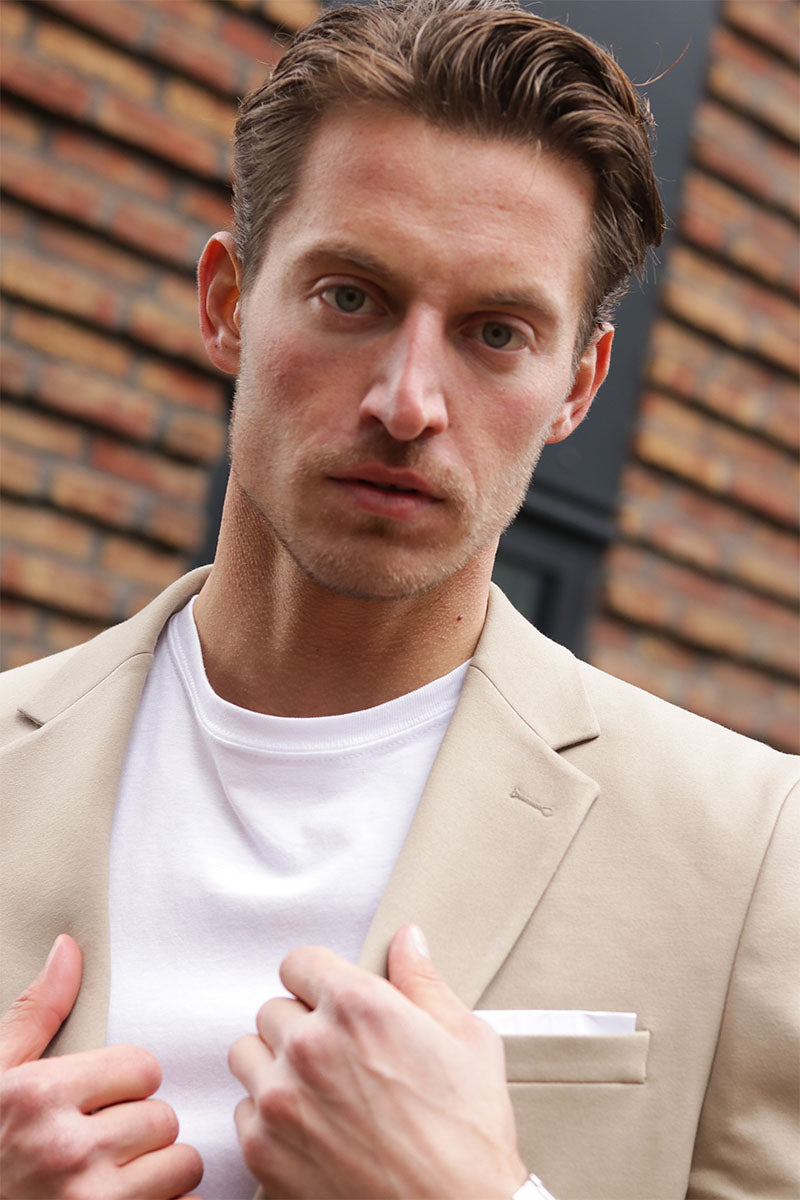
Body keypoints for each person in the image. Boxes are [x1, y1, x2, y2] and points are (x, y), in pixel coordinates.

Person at [1, 1, 797, 1197]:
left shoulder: (746, 849)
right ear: (227, 303)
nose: (408, 402)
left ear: (575, 386)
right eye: (350, 297)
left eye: (494, 332)